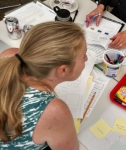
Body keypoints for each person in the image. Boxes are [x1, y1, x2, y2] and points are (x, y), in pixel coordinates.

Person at [0, 21, 87, 149]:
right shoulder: (54, 111)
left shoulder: (10, 56)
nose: (86, 59)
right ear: (63, 70)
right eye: (84, 55)